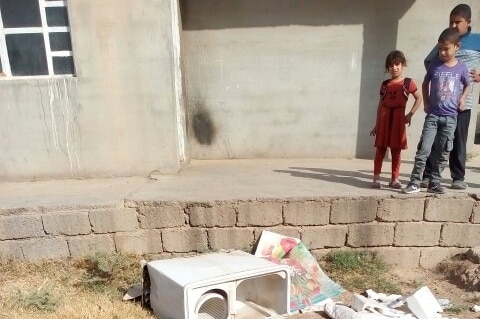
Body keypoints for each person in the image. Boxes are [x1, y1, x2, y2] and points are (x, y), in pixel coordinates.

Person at [403, 27, 471, 194]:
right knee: (424, 149)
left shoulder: (461, 67)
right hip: (433, 116)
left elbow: (468, 85)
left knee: (442, 152)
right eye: (439, 48)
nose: (442, 52)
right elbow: (426, 84)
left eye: (445, 49)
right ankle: (415, 181)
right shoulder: (434, 66)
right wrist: (426, 102)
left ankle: (435, 182)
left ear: (457, 47)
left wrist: (462, 99)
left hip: (450, 118)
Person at [422, 4, 480, 190]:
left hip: (463, 103)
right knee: (436, 139)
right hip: (441, 103)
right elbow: (429, 60)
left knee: (458, 139)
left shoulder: (478, 41)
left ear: (468, 22)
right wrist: (440, 78)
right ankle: (428, 175)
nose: (454, 26)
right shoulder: (446, 39)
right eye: (451, 22)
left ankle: (458, 178)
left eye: (458, 22)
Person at [370, 50, 422, 189]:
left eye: (397, 64)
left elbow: (419, 97)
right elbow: (380, 105)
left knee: (396, 151)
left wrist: (410, 114)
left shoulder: (407, 83)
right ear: (388, 67)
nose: (394, 68)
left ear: (402, 64)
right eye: (391, 65)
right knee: (380, 150)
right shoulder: (385, 84)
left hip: (398, 120)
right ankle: (375, 179)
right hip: (384, 120)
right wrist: (376, 125)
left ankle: (395, 179)